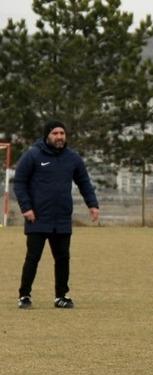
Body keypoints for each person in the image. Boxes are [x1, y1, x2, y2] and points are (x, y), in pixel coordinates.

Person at [14, 120, 99, 309]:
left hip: (61, 219)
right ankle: (24, 295)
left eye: (62, 133)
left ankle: (61, 296)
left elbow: (84, 182)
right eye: (55, 133)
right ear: (47, 136)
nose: (59, 137)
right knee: (33, 257)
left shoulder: (73, 158)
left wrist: (92, 205)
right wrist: (26, 208)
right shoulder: (33, 155)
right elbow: (19, 182)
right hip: (37, 217)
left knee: (62, 259)